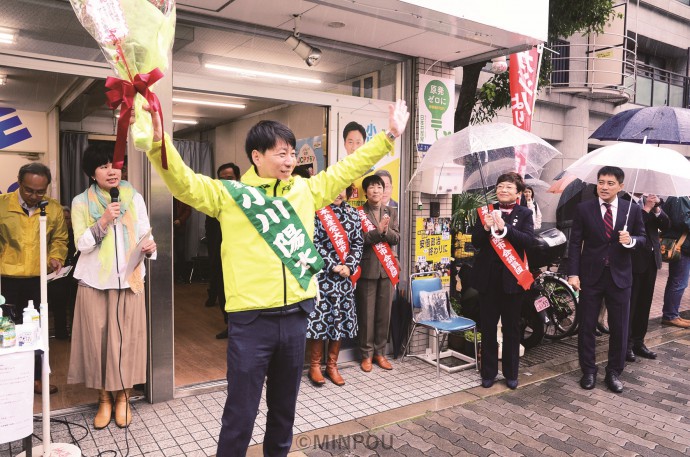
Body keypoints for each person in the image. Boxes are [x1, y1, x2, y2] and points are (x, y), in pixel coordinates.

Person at [140, 99, 409, 456]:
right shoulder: (230, 195)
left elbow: (347, 169)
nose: (289, 160)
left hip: (296, 316)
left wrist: (389, 135)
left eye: (292, 154)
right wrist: (159, 143)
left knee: (284, 411)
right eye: (281, 153)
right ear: (256, 156)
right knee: (240, 414)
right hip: (251, 322)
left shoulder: (304, 190)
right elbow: (184, 183)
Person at [68, 143, 157, 429]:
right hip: (95, 282)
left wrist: (150, 247)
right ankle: (104, 399)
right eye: (104, 166)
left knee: (128, 341)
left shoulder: (135, 198)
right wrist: (104, 220)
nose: (112, 171)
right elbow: (81, 244)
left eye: (115, 165)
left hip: (129, 281)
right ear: (91, 173)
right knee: (99, 342)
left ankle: (124, 398)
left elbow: (144, 232)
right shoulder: (81, 202)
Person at [567, 166, 646, 394]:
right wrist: (573, 273)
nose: (604, 186)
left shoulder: (632, 210)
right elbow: (575, 244)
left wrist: (630, 240)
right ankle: (589, 370)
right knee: (587, 326)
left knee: (620, 327)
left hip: (620, 277)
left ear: (621, 186)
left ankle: (613, 372)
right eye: (601, 182)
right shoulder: (584, 208)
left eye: (610, 183)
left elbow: (642, 238)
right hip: (591, 277)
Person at [0, 163, 68, 395]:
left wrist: (56, 257)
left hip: (38, 280)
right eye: (29, 190)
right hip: (6, 278)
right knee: (6, 329)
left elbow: (59, 239)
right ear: (19, 181)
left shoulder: (53, 209)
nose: (34, 196)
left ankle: (38, 378)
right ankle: (8, 377)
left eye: (40, 191)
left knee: (37, 329)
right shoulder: (2, 205)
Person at [470, 172, 535, 390]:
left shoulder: (525, 213)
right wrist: (487, 227)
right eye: (500, 186)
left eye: (508, 187)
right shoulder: (485, 212)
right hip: (488, 281)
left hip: (512, 280)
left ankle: (511, 374)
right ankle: (488, 373)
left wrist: (505, 229)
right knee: (488, 328)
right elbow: (476, 242)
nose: (503, 190)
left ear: (518, 193)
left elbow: (528, 240)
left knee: (511, 329)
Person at [306, 184, 363, 387]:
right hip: (323, 277)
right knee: (320, 321)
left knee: (338, 321)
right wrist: (333, 265)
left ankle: (332, 365)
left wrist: (349, 266)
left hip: (345, 279)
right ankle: (315, 365)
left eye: (342, 189)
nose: (338, 193)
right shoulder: (317, 213)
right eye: (334, 188)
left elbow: (358, 242)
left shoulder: (353, 214)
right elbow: (314, 242)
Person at [355, 174, 400, 373]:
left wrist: (384, 231)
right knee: (366, 314)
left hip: (387, 269)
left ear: (384, 191)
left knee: (384, 314)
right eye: (372, 187)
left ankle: (380, 353)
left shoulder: (391, 211)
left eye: (379, 187)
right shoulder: (358, 213)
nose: (376, 191)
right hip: (368, 270)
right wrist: (376, 233)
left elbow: (396, 237)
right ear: (366, 191)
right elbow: (357, 240)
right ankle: (366, 355)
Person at [626, 194, 670, 362]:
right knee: (632, 305)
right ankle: (627, 344)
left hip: (651, 261)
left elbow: (666, 225)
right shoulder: (624, 201)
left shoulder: (650, 202)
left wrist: (657, 208)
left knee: (645, 304)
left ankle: (639, 341)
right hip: (633, 261)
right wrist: (646, 209)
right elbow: (631, 227)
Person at [205, 162, 241, 340]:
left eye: (230, 178)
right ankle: (229, 324)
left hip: (239, 257)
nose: (226, 182)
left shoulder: (244, 200)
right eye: (222, 179)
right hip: (218, 254)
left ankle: (237, 326)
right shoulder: (214, 201)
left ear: (238, 179)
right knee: (222, 289)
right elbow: (210, 232)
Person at [659, 196, 690, 328]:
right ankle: (670, 315)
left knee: (678, 281)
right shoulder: (680, 197)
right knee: (678, 281)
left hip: (683, 245)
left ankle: (672, 314)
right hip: (680, 246)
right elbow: (682, 220)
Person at [48, 205, 78, 340]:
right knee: (58, 305)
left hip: (73, 275)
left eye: (67, 219)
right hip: (56, 275)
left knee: (74, 305)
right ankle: (61, 334)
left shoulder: (76, 234)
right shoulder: (53, 237)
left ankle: (74, 333)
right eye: (63, 219)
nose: (65, 222)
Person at [173, 197, 192, 282]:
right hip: (166, 226)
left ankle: (181, 275)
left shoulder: (181, 194)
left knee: (180, 251)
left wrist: (180, 220)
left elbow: (188, 210)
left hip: (179, 227)